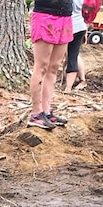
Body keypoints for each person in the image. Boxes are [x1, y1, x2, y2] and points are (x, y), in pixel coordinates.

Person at [28, 0, 73, 129]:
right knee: (41, 66)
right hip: (45, 13)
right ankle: (36, 113)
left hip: (65, 15)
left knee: (54, 67)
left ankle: (46, 111)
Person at [65, 0, 87, 92]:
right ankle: (80, 81)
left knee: (70, 56)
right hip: (80, 26)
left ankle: (68, 87)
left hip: (69, 27)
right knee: (73, 55)